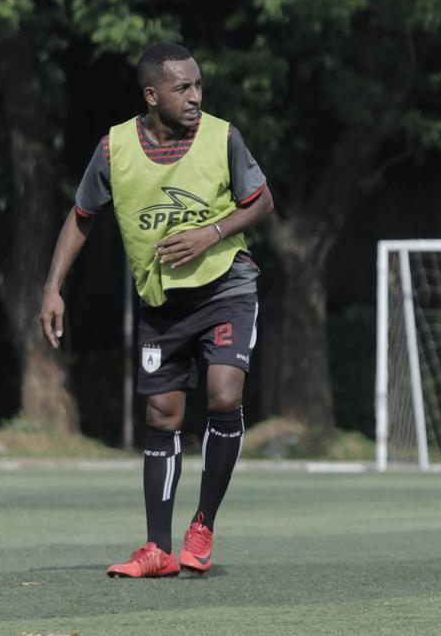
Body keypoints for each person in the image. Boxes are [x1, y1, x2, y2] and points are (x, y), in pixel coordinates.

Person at [39, 42, 275, 578]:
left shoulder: (223, 136)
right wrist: (53, 287)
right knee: (161, 416)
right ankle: (157, 549)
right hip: (162, 302)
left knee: (224, 394)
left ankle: (203, 525)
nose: (195, 96)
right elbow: (82, 216)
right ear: (152, 95)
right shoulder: (114, 148)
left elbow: (261, 201)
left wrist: (212, 232)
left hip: (227, 287)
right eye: (182, 87)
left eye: (199, 85)